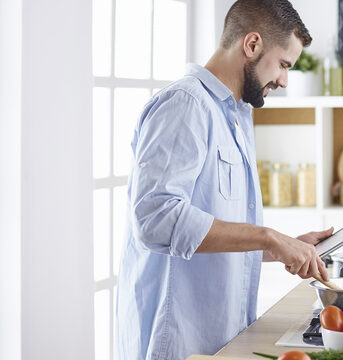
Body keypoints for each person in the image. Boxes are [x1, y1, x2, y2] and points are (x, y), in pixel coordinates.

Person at [115, 1, 331, 359]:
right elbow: (155, 220)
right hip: (175, 342)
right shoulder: (185, 105)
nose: (284, 80)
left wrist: (281, 246)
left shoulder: (235, 114)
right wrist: (268, 236)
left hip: (217, 340)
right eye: (283, 64)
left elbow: (210, 231)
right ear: (252, 45)